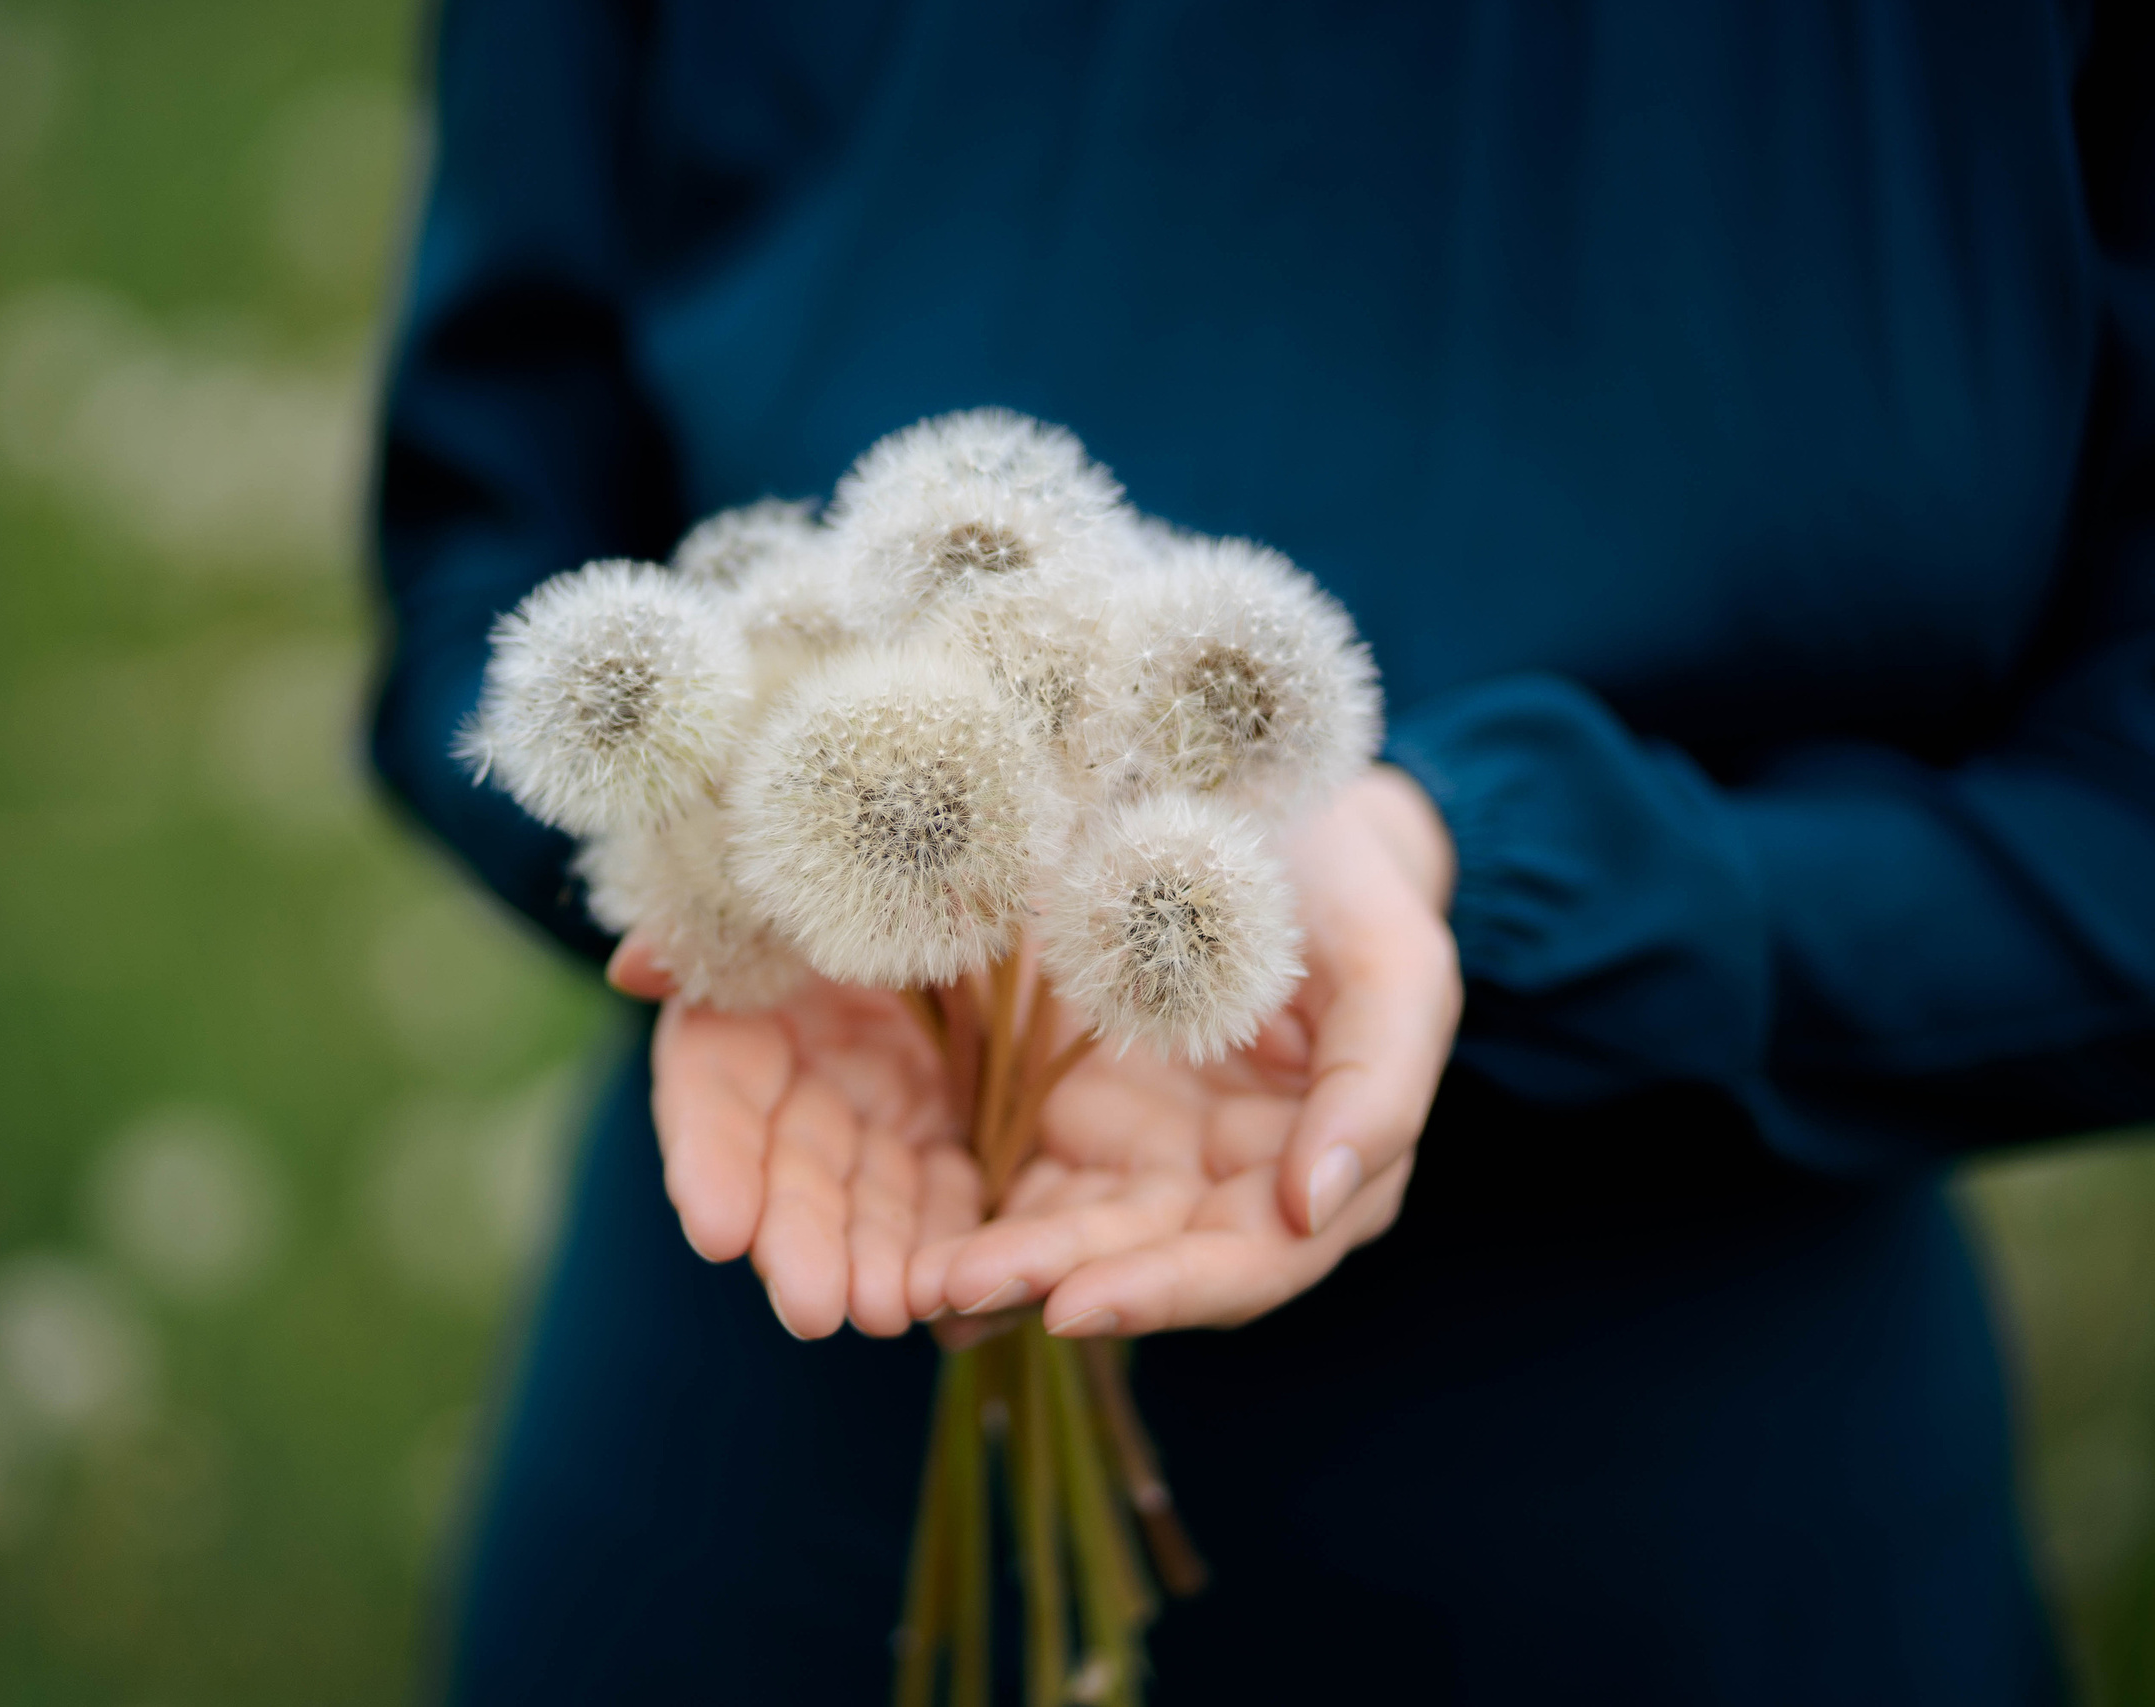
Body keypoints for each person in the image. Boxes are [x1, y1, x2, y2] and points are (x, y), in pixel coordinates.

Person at [368, 4, 2155, 1701]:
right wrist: (735, 837)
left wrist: (1502, 875)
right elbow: (489, 552)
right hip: (776, 1453)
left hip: (1693, 1562)